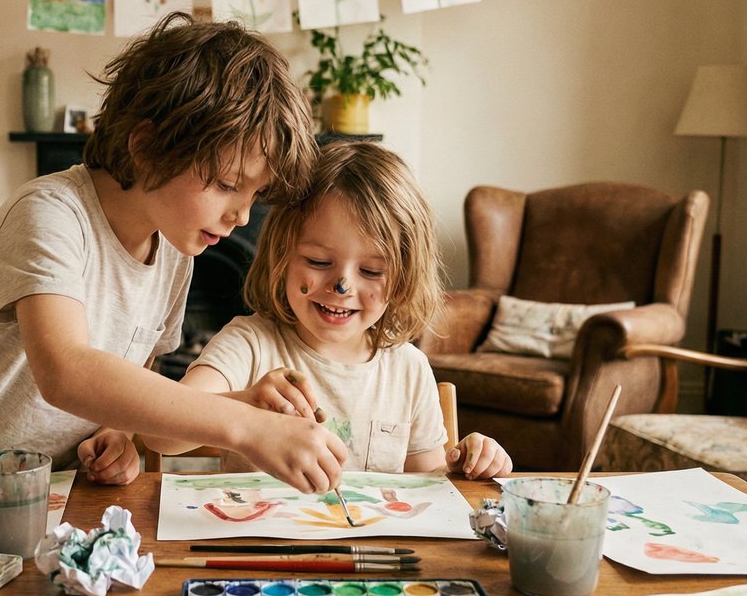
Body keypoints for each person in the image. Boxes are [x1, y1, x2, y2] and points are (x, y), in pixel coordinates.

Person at [0, 13, 348, 493]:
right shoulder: (48, 214)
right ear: (147, 149)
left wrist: (119, 431)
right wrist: (245, 426)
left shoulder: (174, 246)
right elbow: (66, 370)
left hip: (49, 493)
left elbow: (132, 375)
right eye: (228, 184)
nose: (242, 217)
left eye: (255, 195)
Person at [142, 141, 513, 478]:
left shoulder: (409, 371)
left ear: (403, 278)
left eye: (370, 271)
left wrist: (469, 465)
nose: (342, 286)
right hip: (260, 547)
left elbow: (426, 485)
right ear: (281, 258)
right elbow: (158, 434)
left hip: (373, 551)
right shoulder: (249, 344)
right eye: (319, 261)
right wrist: (244, 405)